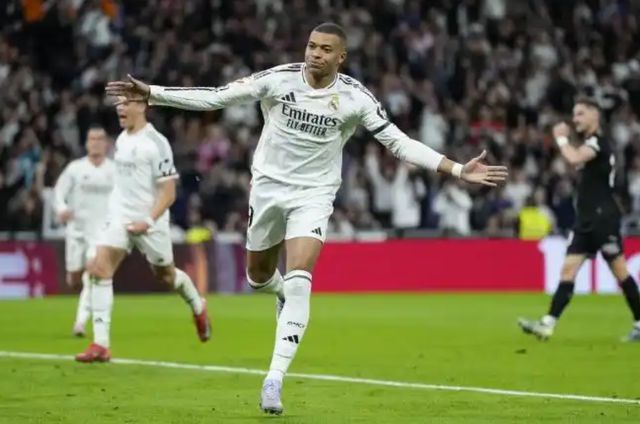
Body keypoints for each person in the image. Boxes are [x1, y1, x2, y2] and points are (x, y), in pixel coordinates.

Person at [106, 22, 508, 415]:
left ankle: (274, 379)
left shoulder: (355, 98)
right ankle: (279, 293)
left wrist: (457, 169)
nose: (315, 53)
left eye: (325, 49)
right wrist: (153, 93)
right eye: (312, 46)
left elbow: (398, 143)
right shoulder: (278, 80)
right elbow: (217, 97)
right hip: (268, 190)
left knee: (301, 279)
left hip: (314, 196)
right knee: (258, 278)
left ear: (341, 57)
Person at [74, 96, 211, 363]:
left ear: (142, 106)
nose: (120, 108)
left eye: (126, 103)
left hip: (151, 221)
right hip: (120, 217)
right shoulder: (122, 140)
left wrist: (147, 221)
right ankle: (101, 344)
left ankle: (198, 304)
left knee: (166, 276)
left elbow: (169, 193)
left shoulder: (156, 143)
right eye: (119, 104)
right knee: (99, 268)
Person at [518, 97, 640, 342]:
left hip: (602, 218)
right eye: (574, 114)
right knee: (568, 269)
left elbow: (574, 158)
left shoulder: (598, 143)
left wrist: (561, 139)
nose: (576, 119)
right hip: (586, 220)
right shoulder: (591, 144)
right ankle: (547, 324)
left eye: (580, 114)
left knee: (620, 271)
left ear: (595, 115)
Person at [53, 125, 115, 337]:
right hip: (77, 230)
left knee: (93, 276)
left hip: (101, 234)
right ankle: (74, 278)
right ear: (87, 143)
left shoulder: (114, 170)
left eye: (99, 139)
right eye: (92, 139)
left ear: (106, 144)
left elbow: (125, 197)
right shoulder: (75, 168)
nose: (96, 143)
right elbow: (59, 191)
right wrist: (62, 209)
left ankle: (80, 323)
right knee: (74, 278)